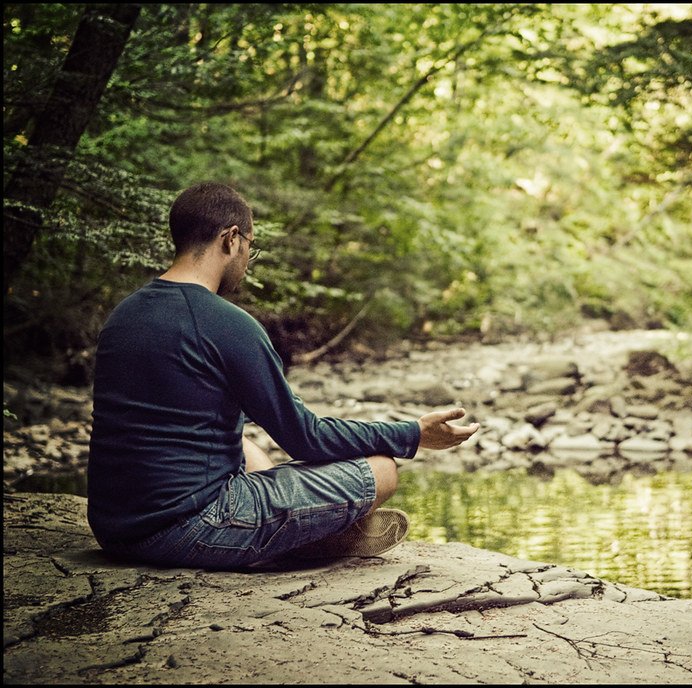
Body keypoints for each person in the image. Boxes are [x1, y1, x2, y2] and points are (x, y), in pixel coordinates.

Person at [87, 181, 478, 569]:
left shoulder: (124, 315)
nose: (246, 261)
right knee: (382, 469)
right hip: (186, 530)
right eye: (249, 249)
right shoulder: (227, 324)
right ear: (231, 239)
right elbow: (305, 437)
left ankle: (293, 530)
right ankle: (302, 538)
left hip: (115, 528)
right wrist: (413, 434)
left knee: (244, 443)